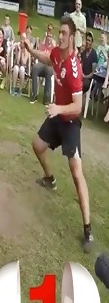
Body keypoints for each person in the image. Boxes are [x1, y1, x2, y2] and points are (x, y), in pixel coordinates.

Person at [24, 15, 93, 252]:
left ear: (71, 37)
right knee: (37, 145)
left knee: (76, 172)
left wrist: (58, 109)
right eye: (59, 33)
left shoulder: (74, 68)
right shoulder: (57, 54)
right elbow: (47, 57)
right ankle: (50, 179)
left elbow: (78, 107)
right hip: (57, 116)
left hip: (70, 121)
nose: (60, 36)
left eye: (64, 33)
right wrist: (30, 50)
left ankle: (88, 230)